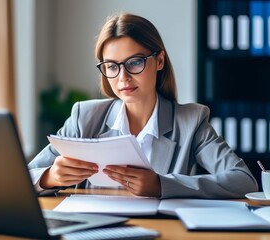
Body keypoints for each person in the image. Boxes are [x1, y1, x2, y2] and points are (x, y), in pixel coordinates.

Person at [28, 13, 258, 198]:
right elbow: (25, 175)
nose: (123, 77)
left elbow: (242, 180)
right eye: (111, 66)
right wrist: (49, 176)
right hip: (95, 228)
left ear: (159, 61)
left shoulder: (191, 121)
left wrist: (162, 184)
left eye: (135, 62)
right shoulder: (85, 117)